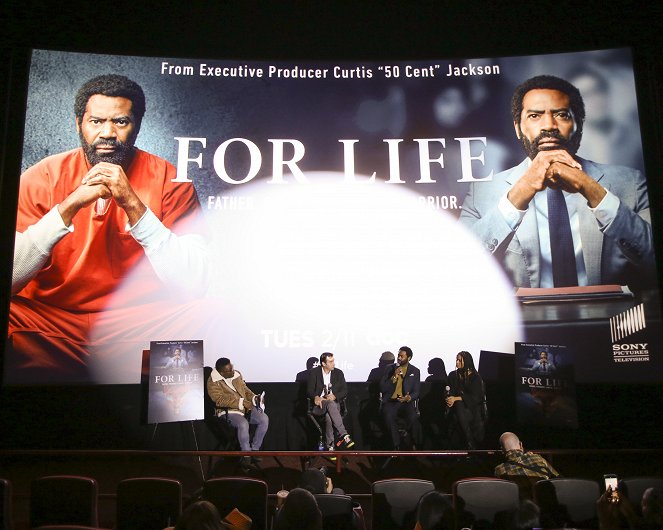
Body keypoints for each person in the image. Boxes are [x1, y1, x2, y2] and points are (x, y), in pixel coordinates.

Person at [7, 73, 209, 382]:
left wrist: (132, 204)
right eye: (97, 121)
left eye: (120, 122)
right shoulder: (42, 177)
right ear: (79, 124)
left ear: (136, 126)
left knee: (208, 312)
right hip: (51, 321)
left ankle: (173, 422)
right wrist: (68, 207)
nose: (108, 133)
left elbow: (193, 283)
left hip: (135, 324)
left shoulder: (171, 180)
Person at [459, 74, 655, 290]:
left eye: (561, 115)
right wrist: (520, 193)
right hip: (527, 322)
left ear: (578, 125)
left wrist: (590, 188)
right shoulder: (482, 193)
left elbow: (652, 260)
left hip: (610, 319)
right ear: (518, 128)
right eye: (535, 116)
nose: (549, 126)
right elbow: (460, 268)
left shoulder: (631, 183)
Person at [207, 357, 269, 465]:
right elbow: (219, 400)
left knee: (264, 419)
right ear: (221, 372)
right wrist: (241, 402)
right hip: (227, 412)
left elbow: (245, 390)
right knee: (243, 423)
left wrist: (255, 397)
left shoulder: (236, 374)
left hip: (244, 409)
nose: (232, 372)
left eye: (232, 368)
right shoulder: (213, 382)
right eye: (229, 371)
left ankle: (255, 450)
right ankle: (246, 455)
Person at [307, 352, 354, 451]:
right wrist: (315, 397)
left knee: (329, 416)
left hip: (334, 405)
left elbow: (345, 390)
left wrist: (335, 396)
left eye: (333, 361)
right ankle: (343, 435)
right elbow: (309, 390)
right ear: (323, 364)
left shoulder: (338, 373)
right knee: (330, 405)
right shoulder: (314, 373)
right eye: (331, 361)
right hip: (319, 406)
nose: (334, 363)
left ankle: (330, 446)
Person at [380, 346, 422, 450]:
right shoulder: (389, 368)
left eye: (402, 356)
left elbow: (416, 391)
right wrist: (394, 376)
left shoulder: (415, 371)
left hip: (406, 402)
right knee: (388, 416)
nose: (399, 358)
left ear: (409, 358)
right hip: (391, 401)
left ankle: (414, 444)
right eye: (398, 355)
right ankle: (396, 445)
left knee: (413, 417)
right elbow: (382, 388)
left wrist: (409, 398)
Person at [446, 351, 485, 449]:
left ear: (466, 361)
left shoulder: (475, 377)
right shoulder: (453, 375)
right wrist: (449, 399)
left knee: (459, 404)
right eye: (456, 360)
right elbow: (448, 390)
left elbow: (476, 397)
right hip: (456, 410)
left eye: (460, 360)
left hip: (471, 409)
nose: (457, 362)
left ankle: (469, 439)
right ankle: (468, 441)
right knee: (457, 406)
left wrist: (457, 399)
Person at [494, 432, 559, 481]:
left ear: (502, 450)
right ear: (521, 445)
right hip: (542, 497)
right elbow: (557, 477)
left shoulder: (500, 470)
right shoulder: (537, 458)